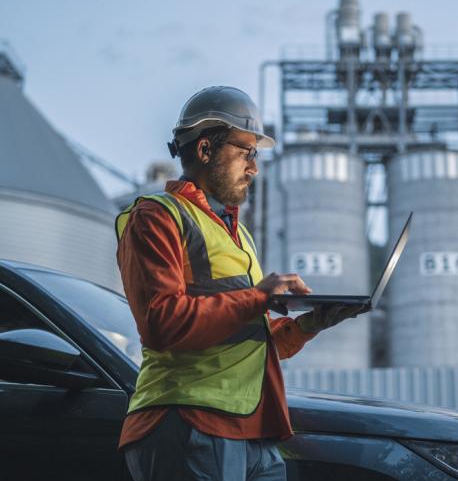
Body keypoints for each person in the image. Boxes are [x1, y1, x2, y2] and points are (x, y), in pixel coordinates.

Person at [116, 86, 365, 481]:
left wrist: (306, 326)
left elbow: (249, 341)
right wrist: (260, 296)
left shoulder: (239, 236)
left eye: (257, 155)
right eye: (246, 152)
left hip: (253, 432)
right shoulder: (156, 217)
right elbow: (161, 323)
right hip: (190, 422)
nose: (255, 167)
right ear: (204, 150)